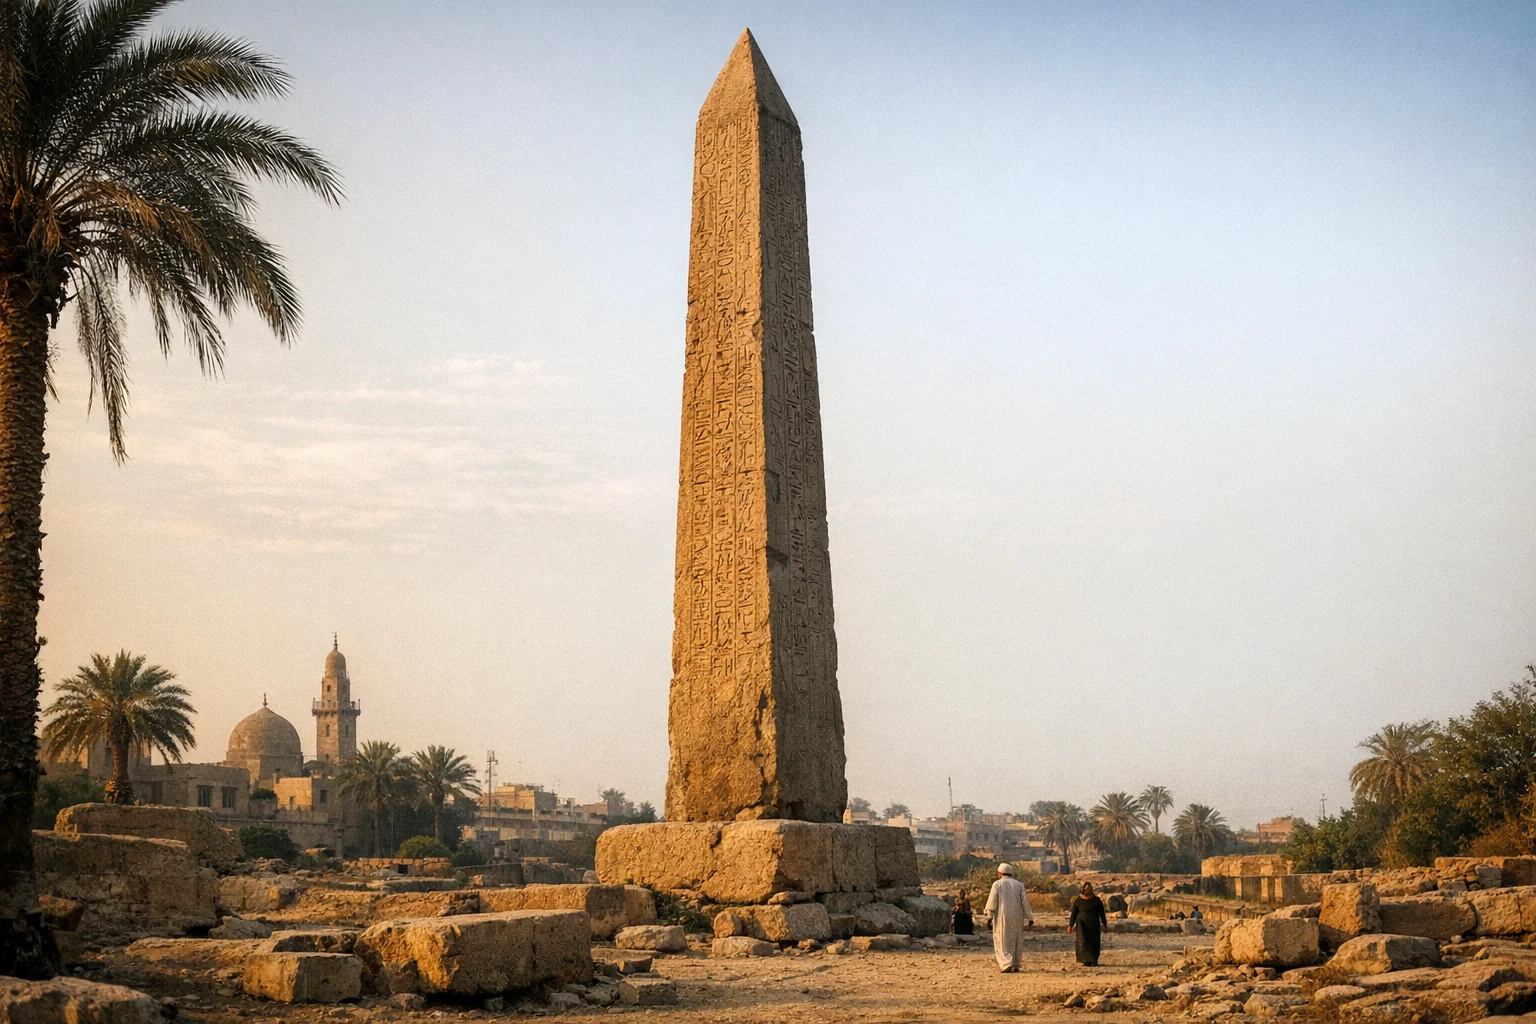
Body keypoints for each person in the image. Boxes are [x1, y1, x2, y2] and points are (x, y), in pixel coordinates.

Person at [985, 863, 1034, 972]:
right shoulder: (1019, 884)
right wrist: (1030, 917)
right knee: (1016, 939)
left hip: (1002, 916)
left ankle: (1006, 963)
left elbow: (992, 902)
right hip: (1017, 917)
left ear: (1000, 873)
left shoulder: (997, 884)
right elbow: (1025, 902)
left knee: (1003, 940)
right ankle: (1015, 963)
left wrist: (989, 917)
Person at [1067, 881, 1109, 966]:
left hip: (1094, 925)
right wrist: (1070, 925)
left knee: (1094, 942)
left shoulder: (1097, 900)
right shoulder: (1078, 900)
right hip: (1081, 925)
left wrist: (1105, 925)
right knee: (1083, 942)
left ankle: (1093, 960)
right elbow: (1074, 914)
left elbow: (1102, 914)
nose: (1087, 890)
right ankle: (1085, 960)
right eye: (1086, 889)